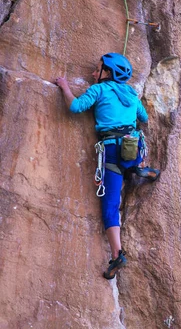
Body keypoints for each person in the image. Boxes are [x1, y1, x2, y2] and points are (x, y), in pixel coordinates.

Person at [55, 52, 159, 279]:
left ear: (107, 73)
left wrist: (64, 86)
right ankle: (137, 168)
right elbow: (143, 118)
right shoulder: (131, 93)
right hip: (133, 148)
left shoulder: (98, 90)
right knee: (129, 155)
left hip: (111, 151)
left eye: (97, 69)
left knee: (110, 206)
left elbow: (75, 107)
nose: (93, 73)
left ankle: (117, 253)